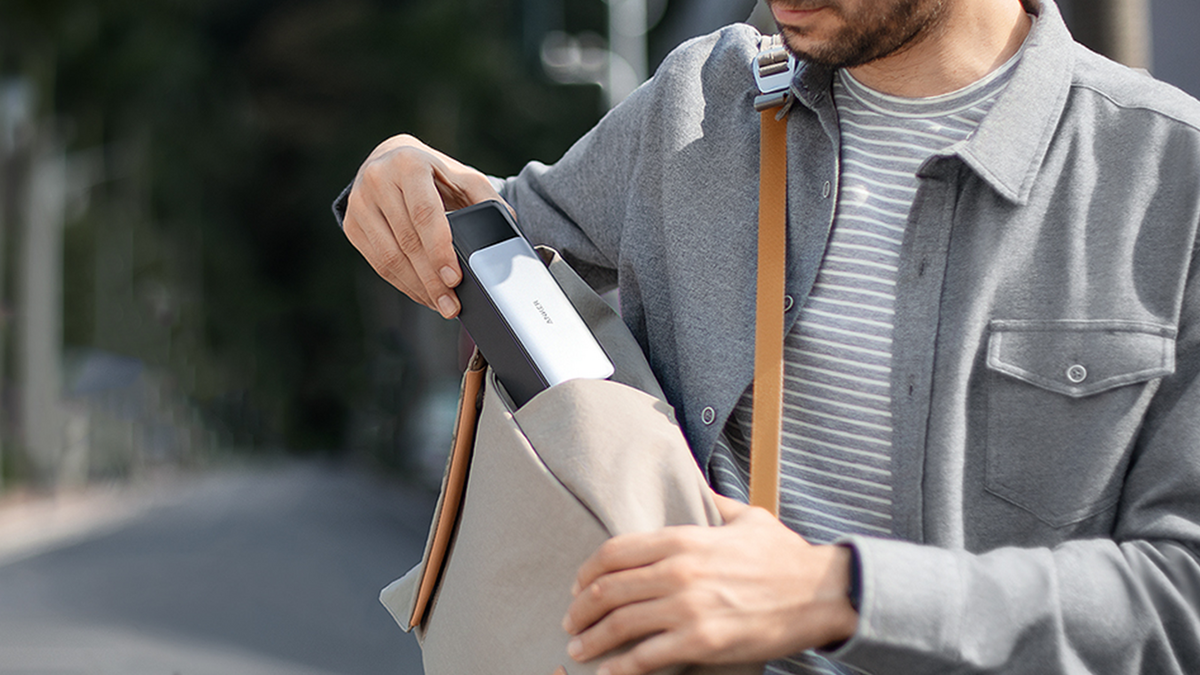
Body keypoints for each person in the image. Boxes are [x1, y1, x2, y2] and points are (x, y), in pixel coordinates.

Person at [333, 0, 1200, 672]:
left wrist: (845, 593)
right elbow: (493, 227)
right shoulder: (700, 106)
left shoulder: (1171, 183)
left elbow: (1180, 598)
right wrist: (400, 178)